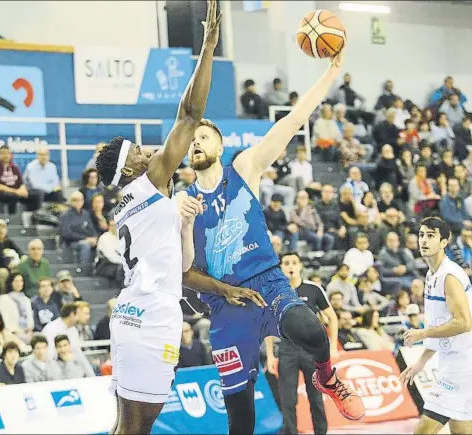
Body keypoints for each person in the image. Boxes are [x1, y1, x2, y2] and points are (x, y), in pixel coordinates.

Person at [95, 5, 264, 433]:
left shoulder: (133, 204)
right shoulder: (149, 182)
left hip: (137, 310)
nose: (147, 152)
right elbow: (189, 116)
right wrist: (207, 46)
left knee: (127, 428)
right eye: (137, 153)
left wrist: (188, 229)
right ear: (130, 171)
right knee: (136, 429)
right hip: (150, 315)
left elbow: (182, 270)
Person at [180, 44, 364, 434]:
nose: (196, 142)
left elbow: (296, 118)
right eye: (191, 139)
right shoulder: (181, 203)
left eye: (204, 137)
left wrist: (330, 75)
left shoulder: (244, 168)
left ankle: (327, 377)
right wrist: (216, 288)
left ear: (220, 146)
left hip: (268, 282)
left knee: (312, 330)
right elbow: (184, 274)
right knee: (241, 422)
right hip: (226, 307)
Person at [400, 217, 472, 434]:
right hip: (452, 360)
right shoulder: (431, 275)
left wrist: (423, 333)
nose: (424, 240)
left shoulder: (449, 276)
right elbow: (440, 325)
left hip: (463, 364)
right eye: (422, 235)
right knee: (461, 429)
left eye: (431, 235)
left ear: (444, 241)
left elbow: (464, 323)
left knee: (422, 431)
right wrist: (421, 362)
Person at [265, 252, 338, 435]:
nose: (290, 266)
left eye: (294, 263)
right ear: (280, 268)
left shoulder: (313, 289)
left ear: (300, 266)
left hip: (311, 352)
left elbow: (332, 317)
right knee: (288, 400)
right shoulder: (275, 292)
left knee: (316, 397)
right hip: (287, 350)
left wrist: (334, 346)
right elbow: (267, 325)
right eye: (286, 263)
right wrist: (270, 355)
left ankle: (321, 432)